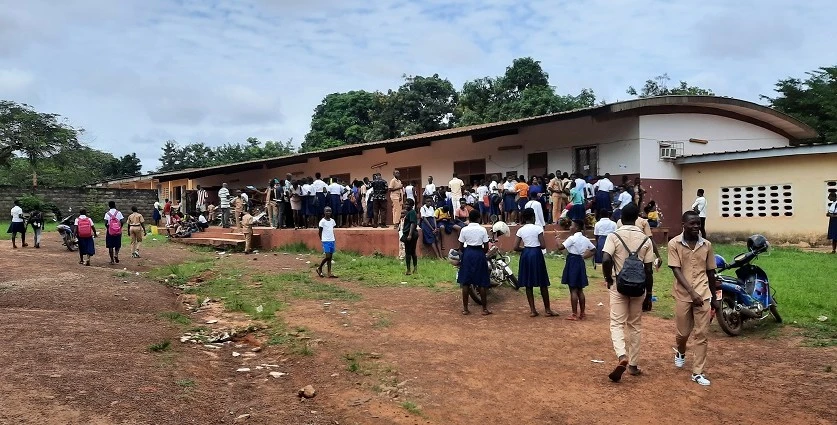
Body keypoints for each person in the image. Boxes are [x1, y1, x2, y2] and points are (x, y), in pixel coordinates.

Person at [601, 202, 655, 382]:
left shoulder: (614, 236)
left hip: (619, 284)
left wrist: (609, 278)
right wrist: (649, 293)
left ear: (621, 219)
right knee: (635, 324)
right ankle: (633, 365)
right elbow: (648, 270)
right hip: (639, 286)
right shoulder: (646, 239)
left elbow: (606, 259)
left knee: (617, 323)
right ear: (637, 218)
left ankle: (621, 356)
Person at [669, 210, 719, 387]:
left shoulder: (706, 245)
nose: (697, 226)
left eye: (698, 223)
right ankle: (681, 351)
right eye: (693, 223)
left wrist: (713, 298)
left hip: (704, 294)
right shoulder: (674, 244)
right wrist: (692, 293)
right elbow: (676, 270)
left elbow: (711, 272)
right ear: (684, 225)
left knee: (702, 334)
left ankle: (698, 372)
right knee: (683, 333)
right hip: (684, 295)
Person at [514, 208, 555, 317]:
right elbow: (543, 245)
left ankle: (533, 310)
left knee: (528, 283)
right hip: (536, 254)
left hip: (526, 254)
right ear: (533, 217)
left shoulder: (521, 230)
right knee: (542, 282)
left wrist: (525, 249)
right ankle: (547, 309)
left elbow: (515, 247)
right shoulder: (538, 228)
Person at [556, 220, 595, 320]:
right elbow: (594, 250)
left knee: (573, 288)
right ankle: (582, 313)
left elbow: (561, 247)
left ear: (576, 228)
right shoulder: (585, 239)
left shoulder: (572, 238)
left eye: (572, 225)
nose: (570, 227)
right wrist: (585, 256)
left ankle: (574, 314)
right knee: (580, 289)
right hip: (580, 261)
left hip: (572, 262)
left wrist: (557, 240)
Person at [457, 209, 492, 316]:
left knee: (466, 282)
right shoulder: (482, 230)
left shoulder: (464, 230)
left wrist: (466, 252)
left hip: (468, 254)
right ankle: (484, 309)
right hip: (479, 254)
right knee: (482, 282)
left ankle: (465, 309)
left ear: (469, 218)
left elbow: (460, 247)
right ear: (478, 218)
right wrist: (480, 253)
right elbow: (486, 247)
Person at [317, 206, 337, 278]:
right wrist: (322, 240)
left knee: (330, 257)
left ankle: (329, 273)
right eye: (327, 211)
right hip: (325, 241)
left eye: (329, 211)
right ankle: (319, 268)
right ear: (324, 212)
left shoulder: (332, 221)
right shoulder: (322, 222)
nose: (328, 213)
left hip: (332, 240)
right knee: (328, 256)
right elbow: (320, 232)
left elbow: (331, 230)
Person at [402, 199, 419, 275]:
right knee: (412, 252)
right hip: (411, 233)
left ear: (412, 205)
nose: (406, 206)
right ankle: (414, 269)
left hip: (410, 234)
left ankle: (409, 269)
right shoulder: (409, 212)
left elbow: (412, 224)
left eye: (408, 204)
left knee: (408, 252)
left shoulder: (412, 212)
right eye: (405, 204)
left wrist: (410, 234)